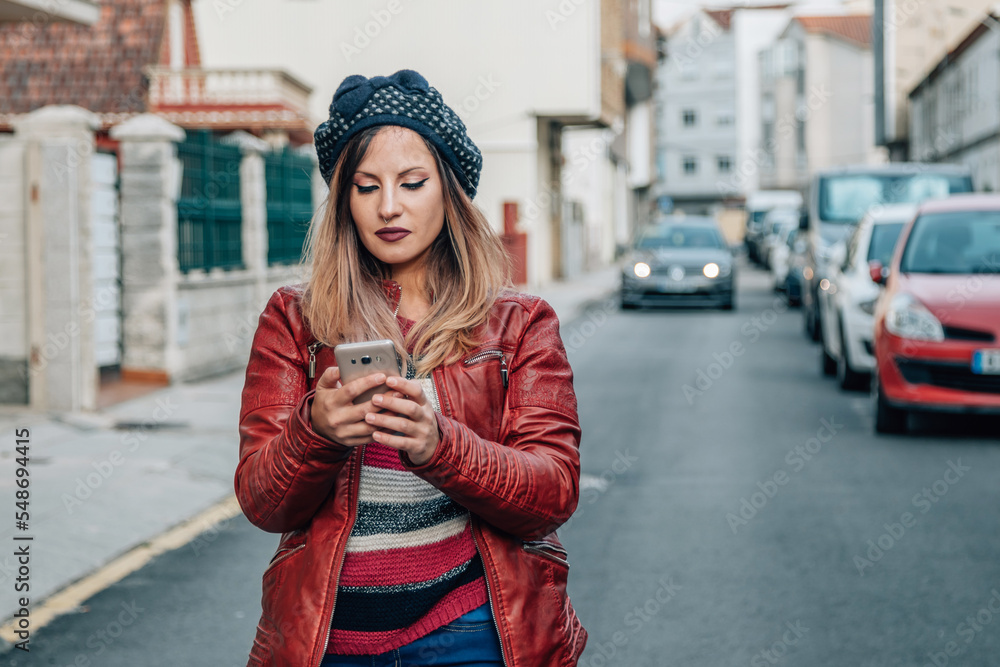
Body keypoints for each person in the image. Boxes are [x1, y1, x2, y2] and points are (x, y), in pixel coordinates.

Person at [236, 69, 587, 667]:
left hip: (473, 632)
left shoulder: (520, 323)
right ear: (344, 200)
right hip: (329, 642)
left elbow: (552, 492)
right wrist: (314, 433)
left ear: (449, 192)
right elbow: (265, 504)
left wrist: (439, 446)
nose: (388, 207)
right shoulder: (296, 319)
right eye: (366, 187)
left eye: (412, 182)